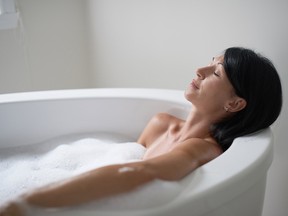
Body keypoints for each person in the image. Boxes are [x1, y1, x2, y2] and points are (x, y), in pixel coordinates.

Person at [0, 47, 282, 216]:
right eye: (210, 61)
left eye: (216, 72)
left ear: (235, 103)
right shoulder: (160, 123)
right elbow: (121, 164)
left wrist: (24, 203)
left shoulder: (203, 148)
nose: (200, 69)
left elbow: (139, 173)